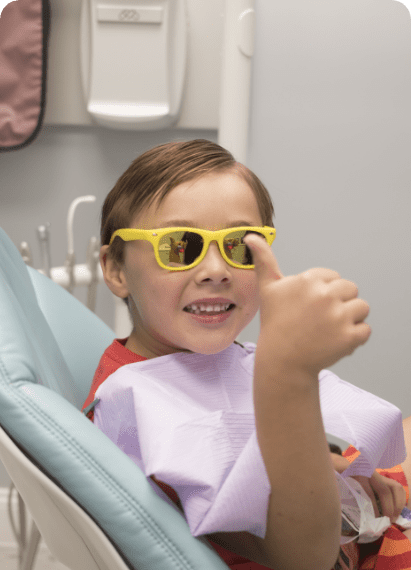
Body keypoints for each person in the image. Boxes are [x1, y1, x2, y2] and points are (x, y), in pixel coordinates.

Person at [82, 139, 411, 570]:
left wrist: (347, 476)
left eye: (240, 245)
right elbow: (301, 558)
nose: (217, 269)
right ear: (116, 268)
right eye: (179, 246)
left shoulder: (205, 358)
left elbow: (263, 440)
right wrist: (289, 370)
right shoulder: (137, 406)